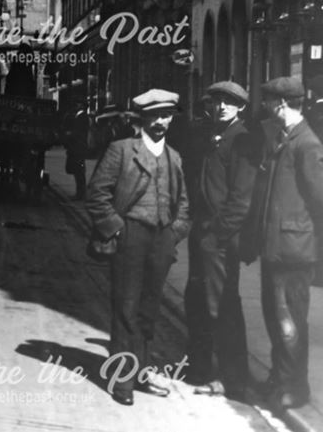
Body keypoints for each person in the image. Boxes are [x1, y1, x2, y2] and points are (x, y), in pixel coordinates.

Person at [85, 88, 191, 406]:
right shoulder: (121, 150)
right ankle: (122, 381)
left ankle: (141, 374)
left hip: (161, 240)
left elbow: (183, 204)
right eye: (156, 115)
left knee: (148, 311)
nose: (162, 121)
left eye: (167, 116)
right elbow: (97, 194)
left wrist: (174, 234)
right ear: (143, 118)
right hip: (129, 235)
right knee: (126, 309)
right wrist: (116, 230)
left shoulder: (174, 157)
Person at [250, 76, 323, 410]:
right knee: (276, 319)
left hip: (294, 252)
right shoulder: (283, 138)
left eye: (267, 102)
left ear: (281, 105)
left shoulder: (306, 144)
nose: (264, 108)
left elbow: (320, 200)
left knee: (290, 321)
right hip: (276, 248)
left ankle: (296, 387)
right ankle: (281, 378)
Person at [183, 81, 258, 400]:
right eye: (217, 101)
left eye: (230, 102)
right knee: (197, 302)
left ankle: (234, 380)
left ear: (241, 107)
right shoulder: (210, 137)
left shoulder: (242, 140)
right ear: (209, 105)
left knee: (222, 307)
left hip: (220, 240)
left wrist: (218, 237)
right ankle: (199, 368)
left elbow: (241, 200)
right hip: (202, 234)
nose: (223, 107)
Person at [61, 101, 91, 199]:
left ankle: (80, 193)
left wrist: (69, 134)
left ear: (82, 106)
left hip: (78, 148)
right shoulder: (79, 116)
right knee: (78, 171)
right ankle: (80, 192)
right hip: (77, 148)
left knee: (79, 171)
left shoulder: (82, 117)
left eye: (78, 104)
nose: (76, 105)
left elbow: (78, 132)